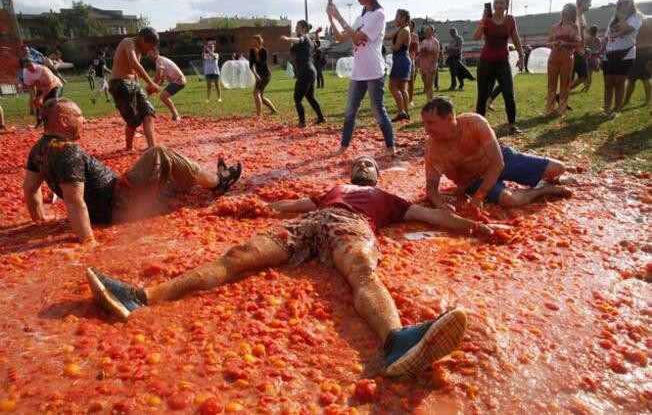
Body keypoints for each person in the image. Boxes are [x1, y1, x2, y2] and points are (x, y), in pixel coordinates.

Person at [85, 155, 502, 376]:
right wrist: (251, 207)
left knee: (361, 270)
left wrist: (475, 228)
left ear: (375, 176)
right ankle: (140, 296)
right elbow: (289, 206)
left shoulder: (390, 199)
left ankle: (397, 340)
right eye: (358, 164)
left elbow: (431, 217)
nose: (362, 166)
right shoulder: (333, 188)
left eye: (369, 165)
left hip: (350, 227)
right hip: (308, 224)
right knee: (236, 258)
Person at [23, 98, 242, 245]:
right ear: (63, 120)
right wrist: (88, 241)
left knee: (164, 171)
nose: (84, 120)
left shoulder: (39, 149)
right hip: (120, 204)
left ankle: (192, 183)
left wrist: (39, 221)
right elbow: (74, 200)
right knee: (159, 153)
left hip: (115, 198)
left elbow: (30, 190)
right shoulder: (67, 152)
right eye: (79, 116)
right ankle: (217, 182)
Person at [422, 97, 572, 211]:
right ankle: (544, 189)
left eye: (431, 123)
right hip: (473, 180)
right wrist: (441, 206)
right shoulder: (433, 148)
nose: (426, 130)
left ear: (449, 119)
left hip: (500, 160)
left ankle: (542, 180)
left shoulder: (474, 122)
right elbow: (432, 189)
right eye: (425, 124)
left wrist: (479, 196)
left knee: (558, 168)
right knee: (509, 201)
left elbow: (497, 162)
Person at [326, 0, 397, 156]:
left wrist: (339, 16)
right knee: (350, 111)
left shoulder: (379, 15)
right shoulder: (361, 17)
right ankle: (343, 146)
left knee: (378, 110)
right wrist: (331, 19)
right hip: (358, 72)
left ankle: (390, 146)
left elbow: (357, 38)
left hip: (373, 70)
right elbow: (340, 38)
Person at [473, 0, 525, 135]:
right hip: (486, 62)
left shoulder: (510, 20)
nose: (498, 5)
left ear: (506, 5)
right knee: (482, 95)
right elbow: (476, 36)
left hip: (502, 62)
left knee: (508, 93)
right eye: (496, 2)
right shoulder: (487, 19)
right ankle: (480, 127)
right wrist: (483, 19)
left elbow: (516, 38)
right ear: (493, 4)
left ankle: (512, 125)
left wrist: (521, 56)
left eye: (501, 2)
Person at [109, 27, 161, 151]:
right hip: (119, 84)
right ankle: (129, 148)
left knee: (149, 112)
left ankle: (152, 147)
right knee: (133, 120)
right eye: (149, 45)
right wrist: (150, 83)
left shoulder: (139, 48)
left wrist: (139, 87)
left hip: (133, 84)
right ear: (143, 39)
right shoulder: (128, 43)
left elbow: (134, 71)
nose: (149, 49)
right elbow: (134, 63)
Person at [602, 0, 644, 118]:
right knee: (608, 83)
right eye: (620, 3)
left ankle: (617, 109)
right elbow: (606, 37)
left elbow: (625, 30)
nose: (622, 5)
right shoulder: (612, 20)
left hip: (626, 53)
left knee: (619, 82)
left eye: (626, 2)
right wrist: (601, 52)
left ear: (632, 3)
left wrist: (621, 17)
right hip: (609, 54)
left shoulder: (636, 17)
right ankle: (606, 108)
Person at [281, 21, 326, 128]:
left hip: (305, 72)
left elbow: (299, 40)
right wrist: (317, 34)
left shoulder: (304, 37)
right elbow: (318, 44)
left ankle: (302, 122)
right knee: (310, 96)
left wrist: (287, 39)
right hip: (310, 71)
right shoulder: (309, 40)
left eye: (298, 26)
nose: (296, 28)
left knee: (297, 98)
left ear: (304, 28)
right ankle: (321, 118)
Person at [545, 4, 581, 117]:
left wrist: (566, 44)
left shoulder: (575, 28)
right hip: (553, 59)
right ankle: (549, 110)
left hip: (567, 59)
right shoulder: (554, 27)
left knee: (565, 85)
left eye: (568, 10)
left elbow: (578, 43)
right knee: (551, 85)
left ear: (572, 13)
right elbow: (547, 43)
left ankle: (562, 109)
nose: (565, 12)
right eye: (564, 9)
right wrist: (553, 44)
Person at [22, 58, 64, 128]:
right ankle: (39, 122)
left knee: (52, 102)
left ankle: (57, 121)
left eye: (30, 65)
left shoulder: (43, 70)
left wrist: (42, 97)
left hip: (55, 86)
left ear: (35, 63)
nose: (29, 68)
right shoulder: (26, 73)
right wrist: (35, 97)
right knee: (38, 103)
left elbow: (50, 84)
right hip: (41, 88)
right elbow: (29, 86)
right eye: (27, 66)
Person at [147, 48, 187, 121]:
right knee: (163, 96)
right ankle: (175, 115)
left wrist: (151, 85)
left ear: (156, 53)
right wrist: (156, 87)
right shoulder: (160, 60)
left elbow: (159, 75)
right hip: (177, 81)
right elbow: (162, 79)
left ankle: (176, 115)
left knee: (163, 96)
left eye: (149, 54)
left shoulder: (159, 60)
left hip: (179, 81)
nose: (148, 56)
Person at [386, 9, 412, 122]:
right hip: (403, 60)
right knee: (402, 88)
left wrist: (385, 49)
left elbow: (396, 47)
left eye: (397, 16)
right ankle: (406, 113)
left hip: (400, 60)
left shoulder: (404, 31)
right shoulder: (402, 29)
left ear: (403, 18)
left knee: (393, 87)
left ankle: (401, 112)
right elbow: (388, 36)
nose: (395, 19)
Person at [623, 15, 652, 106]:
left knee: (631, 78)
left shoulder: (634, 21)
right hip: (648, 50)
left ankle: (626, 101)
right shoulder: (649, 20)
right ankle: (647, 100)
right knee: (646, 78)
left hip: (637, 51)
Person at [568, 0, 592, 93]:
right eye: (588, 2)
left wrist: (585, 47)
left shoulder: (582, 15)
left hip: (581, 50)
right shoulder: (575, 15)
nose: (590, 5)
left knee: (582, 76)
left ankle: (561, 96)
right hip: (575, 51)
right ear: (582, 2)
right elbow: (571, 32)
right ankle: (561, 95)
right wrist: (578, 48)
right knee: (581, 76)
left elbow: (582, 34)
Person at [249, 35, 278, 116]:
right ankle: (274, 111)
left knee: (256, 92)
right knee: (260, 96)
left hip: (266, 75)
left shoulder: (264, 51)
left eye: (255, 42)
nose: (253, 44)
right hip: (259, 75)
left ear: (260, 42)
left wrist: (257, 53)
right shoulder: (251, 51)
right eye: (252, 42)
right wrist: (255, 74)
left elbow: (262, 63)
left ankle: (258, 114)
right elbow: (251, 65)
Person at [419, 24, 440, 101]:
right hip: (423, 64)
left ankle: (430, 101)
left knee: (429, 85)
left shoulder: (435, 41)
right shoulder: (423, 42)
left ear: (432, 31)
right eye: (425, 30)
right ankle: (429, 99)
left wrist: (433, 65)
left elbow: (436, 54)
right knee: (425, 85)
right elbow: (420, 53)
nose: (426, 32)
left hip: (431, 65)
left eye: (428, 30)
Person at [583, 25, 603, 92]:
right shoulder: (598, 39)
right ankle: (587, 88)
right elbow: (600, 49)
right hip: (594, 58)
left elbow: (584, 48)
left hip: (587, 58)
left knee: (585, 74)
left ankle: (586, 85)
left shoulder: (587, 39)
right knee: (590, 74)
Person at [407, 20, 419, 106]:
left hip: (411, 60)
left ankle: (410, 100)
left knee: (411, 82)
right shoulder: (402, 34)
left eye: (410, 25)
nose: (408, 26)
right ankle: (404, 99)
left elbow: (415, 49)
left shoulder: (414, 36)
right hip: (402, 60)